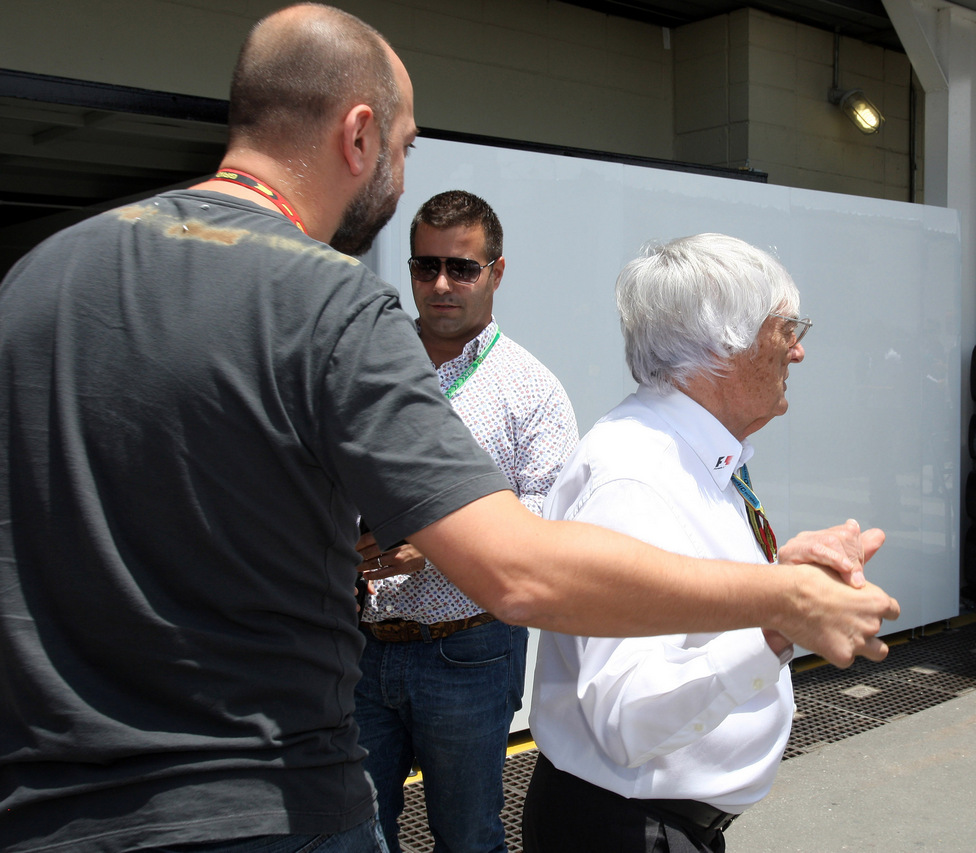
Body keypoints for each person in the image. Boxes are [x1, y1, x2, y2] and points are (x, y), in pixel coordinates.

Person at [0, 5, 899, 852]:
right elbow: (521, 569)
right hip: (259, 800)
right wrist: (779, 601)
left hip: (48, 805)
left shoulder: (39, 278)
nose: (402, 169)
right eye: (403, 145)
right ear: (357, 135)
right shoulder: (325, 302)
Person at [523, 234, 894, 853]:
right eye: (785, 329)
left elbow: (685, 612)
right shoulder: (637, 477)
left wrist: (781, 572)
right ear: (723, 344)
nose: (798, 351)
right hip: (626, 830)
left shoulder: (684, 453)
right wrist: (783, 616)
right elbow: (627, 718)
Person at [356, 190, 578, 853]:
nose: (442, 284)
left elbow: (552, 516)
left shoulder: (528, 389)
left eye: (462, 268)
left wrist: (438, 543)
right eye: (426, 267)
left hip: (468, 650)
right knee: (357, 834)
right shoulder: (373, 365)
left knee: (467, 836)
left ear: (497, 272)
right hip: (360, 644)